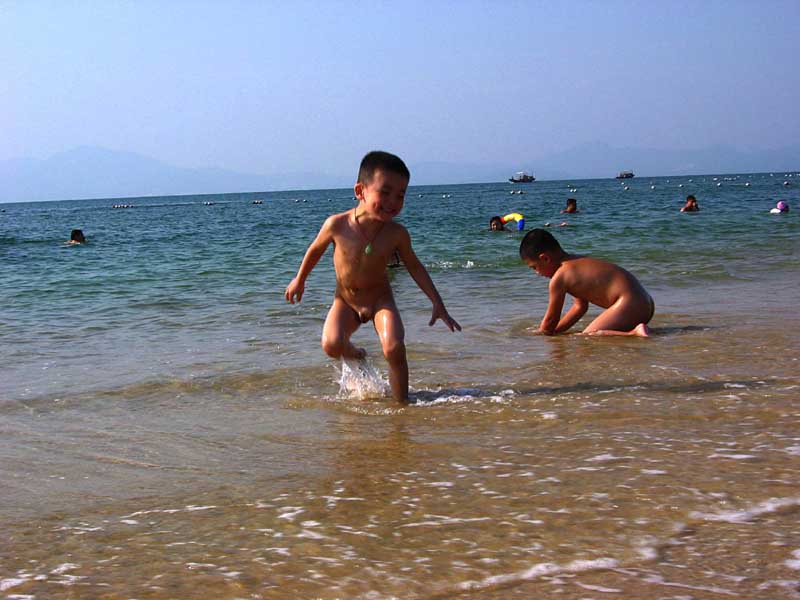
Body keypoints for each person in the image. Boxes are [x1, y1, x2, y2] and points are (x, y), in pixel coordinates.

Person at [285, 150, 461, 403]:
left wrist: (437, 301)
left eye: (401, 195)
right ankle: (357, 354)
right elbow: (314, 251)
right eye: (385, 192)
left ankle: (402, 406)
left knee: (394, 348)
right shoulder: (337, 225)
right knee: (332, 345)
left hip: (381, 301)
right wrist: (299, 279)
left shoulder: (397, 234)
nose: (393, 201)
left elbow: (414, 266)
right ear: (361, 191)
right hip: (345, 301)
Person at [519, 228, 654, 337]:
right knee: (586, 334)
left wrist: (541, 333)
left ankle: (633, 333)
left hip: (629, 304)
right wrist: (557, 331)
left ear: (545, 258)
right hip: (644, 302)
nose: (537, 273)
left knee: (589, 336)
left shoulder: (559, 278)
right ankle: (636, 330)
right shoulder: (576, 262)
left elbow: (550, 321)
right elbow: (580, 307)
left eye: (534, 267)